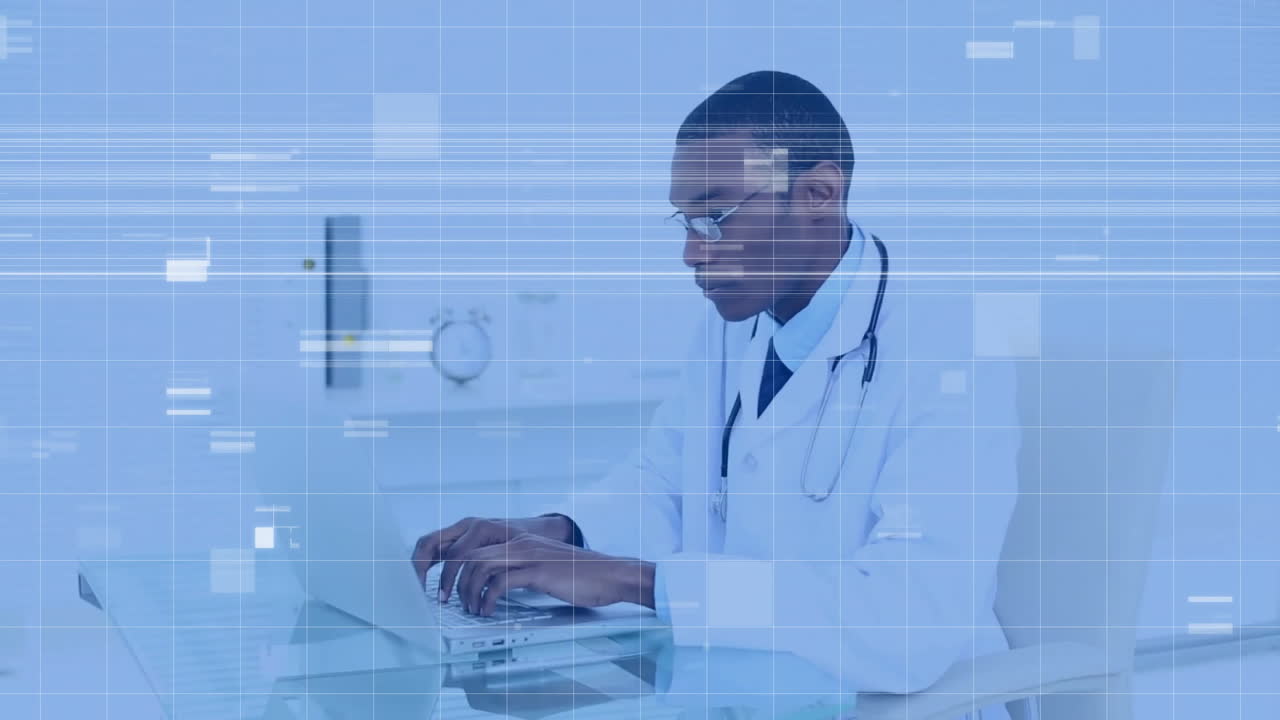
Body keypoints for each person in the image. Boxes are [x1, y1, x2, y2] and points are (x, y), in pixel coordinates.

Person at [413, 70, 1019, 707]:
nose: (692, 254)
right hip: (744, 686)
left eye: (715, 218)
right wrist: (558, 534)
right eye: (686, 221)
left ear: (817, 193)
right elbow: (666, 483)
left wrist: (634, 581)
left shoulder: (951, 353)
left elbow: (908, 621)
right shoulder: (739, 320)